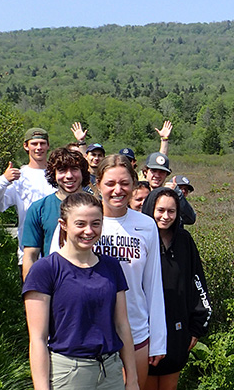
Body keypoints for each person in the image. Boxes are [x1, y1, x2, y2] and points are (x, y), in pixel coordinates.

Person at [50, 154, 166, 389]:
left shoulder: (146, 225)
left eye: (125, 183)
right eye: (110, 183)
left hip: (134, 332)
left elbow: (153, 284)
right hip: (84, 335)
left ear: (134, 184)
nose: (118, 190)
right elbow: (55, 280)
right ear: (97, 184)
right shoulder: (79, 222)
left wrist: (158, 340)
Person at [23, 192, 139, 390]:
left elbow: (122, 326)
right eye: (80, 224)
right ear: (64, 224)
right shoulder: (45, 270)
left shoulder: (111, 266)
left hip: (110, 373)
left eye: (96, 223)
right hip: (69, 374)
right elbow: (38, 339)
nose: (89, 231)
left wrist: (133, 379)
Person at [141, 188, 211, 390]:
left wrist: (197, 327)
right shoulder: (141, 239)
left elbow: (197, 282)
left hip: (177, 330)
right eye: (160, 210)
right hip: (144, 331)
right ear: (150, 209)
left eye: (171, 211)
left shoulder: (184, 240)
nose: (165, 216)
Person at [0, 127, 56, 277]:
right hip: (29, 256)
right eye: (34, 143)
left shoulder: (59, 175)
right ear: (26, 146)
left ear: (48, 145)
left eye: (42, 143)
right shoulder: (19, 177)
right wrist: (3, 181)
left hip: (60, 255)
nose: (39, 148)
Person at [21, 147, 91, 281]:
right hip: (54, 284)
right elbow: (30, 255)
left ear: (83, 173)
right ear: (53, 174)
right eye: (62, 170)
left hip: (94, 283)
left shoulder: (98, 208)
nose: (69, 175)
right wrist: (32, 294)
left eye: (74, 169)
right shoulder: (39, 209)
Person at [143, 152, 196, 225]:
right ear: (145, 172)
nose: (157, 175)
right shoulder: (137, 192)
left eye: (162, 172)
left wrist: (178, 194)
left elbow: (190, 219)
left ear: (166, 175)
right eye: (154, 170)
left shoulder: (170, 195)